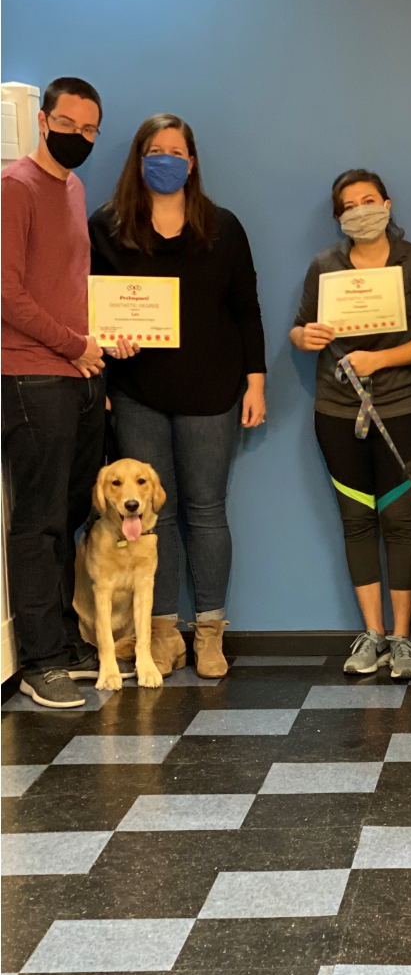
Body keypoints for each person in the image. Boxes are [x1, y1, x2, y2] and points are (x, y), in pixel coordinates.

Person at [89, 113, 266, 680]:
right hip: (137, 392)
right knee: (150, 520)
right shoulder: (107, 226)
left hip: (213, 391)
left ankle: (209, 632)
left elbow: (246, 308)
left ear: (191, 162)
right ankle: (161, 634)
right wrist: (102, 357)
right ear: (139, 159)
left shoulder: (223, 226)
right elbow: (87, 303)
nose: (166, 159)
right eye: (155, 150)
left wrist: (256, 381)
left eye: (177, 150)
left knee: (206, 512)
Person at [291, 169, 411, 679]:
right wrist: (303, 337)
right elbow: (300, 327)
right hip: (336, 413)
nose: (360, 210)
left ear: (387, 203)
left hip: (399, 410)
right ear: (339, 218)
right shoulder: (324, 266)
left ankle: (404, 638)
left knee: (400, 522)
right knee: (356, 522)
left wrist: (378, 361)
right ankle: (372, 634)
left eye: (369, 200)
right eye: (349, 205)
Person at [1, 76, 121, 707]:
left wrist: (99, 346)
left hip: (79, 374)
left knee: (73, 511)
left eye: (91, 129)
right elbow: (7, 293)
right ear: (43, 120)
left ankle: (61, 640)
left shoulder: (72, 188)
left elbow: (68, 286)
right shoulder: (14, 189)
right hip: (28, 374)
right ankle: (39, 660)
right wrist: (73, 347)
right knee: (40, 519)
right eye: (70, 125)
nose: (80, 137)